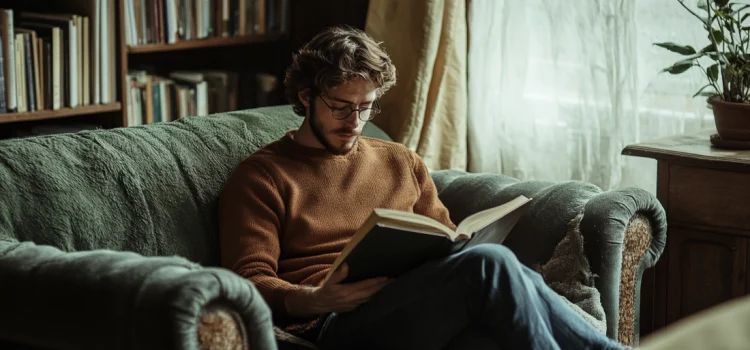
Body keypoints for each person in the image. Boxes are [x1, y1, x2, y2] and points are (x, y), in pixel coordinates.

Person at [218, 25, 628, 350]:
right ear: (307, 97)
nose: (355, 122)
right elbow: (246, 280)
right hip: (332, 322)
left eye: (366, 107)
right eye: (340, 107)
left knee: (504, 270)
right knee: (489, 266)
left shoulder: (400, 161)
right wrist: (311, 298)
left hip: (414, 299)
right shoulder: (262, 177)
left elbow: (447, 241)